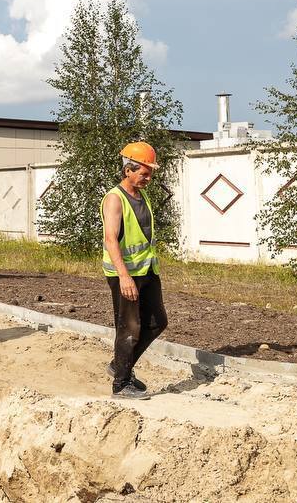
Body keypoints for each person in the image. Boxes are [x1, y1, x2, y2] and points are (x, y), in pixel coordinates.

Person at [102, 141, 167, 400]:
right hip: (126, 275)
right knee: (129, 328)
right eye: (144, 173)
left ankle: (120, 365)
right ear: (128, 170)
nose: (148, 178)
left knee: (157, 322)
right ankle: (121, 384)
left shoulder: (142, 195)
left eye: (150, 173)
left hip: (148, 270)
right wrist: (124, 276)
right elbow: (110, 239)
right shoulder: (115, 199)